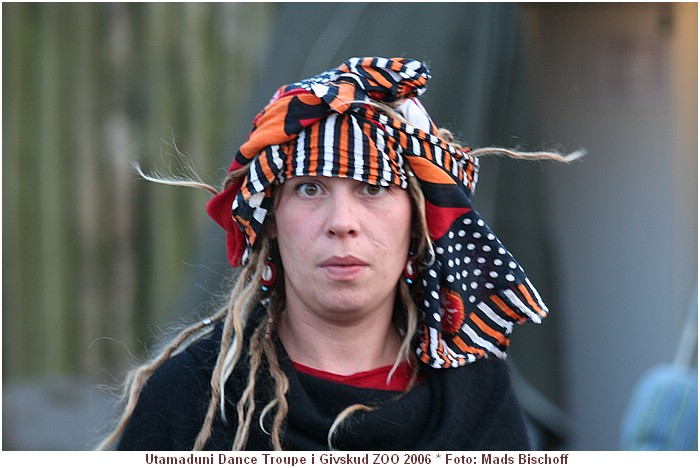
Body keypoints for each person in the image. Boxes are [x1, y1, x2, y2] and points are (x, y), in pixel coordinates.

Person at [99, 56, 581, 451]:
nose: (341, 222)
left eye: (372, 187)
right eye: (310, 189)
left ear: (417, 222)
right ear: (270, 220)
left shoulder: (475, 393)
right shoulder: (190, 400)